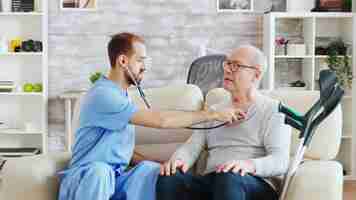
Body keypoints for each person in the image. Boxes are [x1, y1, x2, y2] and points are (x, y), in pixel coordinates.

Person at [57, 32, 245, 200]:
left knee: (152, 171)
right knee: (100, 172)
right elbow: (161, 121)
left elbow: (119, 150)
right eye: (140, 60)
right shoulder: (103, 95)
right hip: (89, 178)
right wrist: (212, 114)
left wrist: (157, 163)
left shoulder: (123, 97)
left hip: (114, 177)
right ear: (123, 61)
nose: (144, 67)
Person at [157, 45, 292, 200]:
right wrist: (178, 161)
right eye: (227, 64)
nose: (227, 70)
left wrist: (248, 165)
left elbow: (280, 161)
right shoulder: (215, 110)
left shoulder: (273, 110)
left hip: (253, 183)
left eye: (236, 66)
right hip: (215, 180)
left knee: (228, 177)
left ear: (256, 74)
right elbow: (192, 146)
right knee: (169, 177)